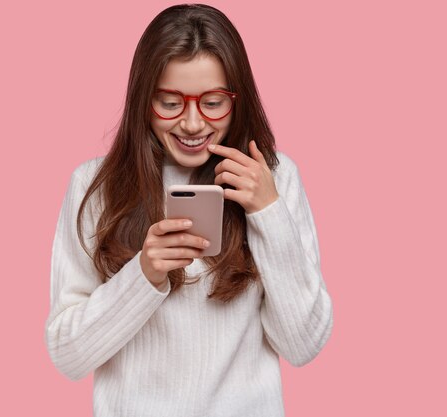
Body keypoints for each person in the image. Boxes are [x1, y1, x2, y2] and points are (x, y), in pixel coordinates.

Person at [45, 4, 333, 417]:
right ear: (144, 100)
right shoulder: (95, 187)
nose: (193, 123)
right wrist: (143, 275)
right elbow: (66, 355)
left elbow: (303, 345)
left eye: (213, 102)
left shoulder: (276, 179)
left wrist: (268, 212)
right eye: (170, 102)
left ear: (238, 99)